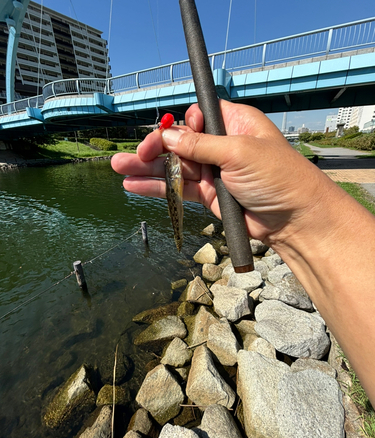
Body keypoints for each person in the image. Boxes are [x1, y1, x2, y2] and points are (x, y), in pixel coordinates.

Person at [111, 100, 375, 407]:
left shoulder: (180, 165)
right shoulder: (178, 168)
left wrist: (300, 218)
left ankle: (181, 235)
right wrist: (301, 226)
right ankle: (180, 235)